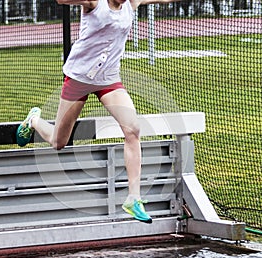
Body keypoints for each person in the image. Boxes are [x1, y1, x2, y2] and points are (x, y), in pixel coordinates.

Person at [16, 0, 181, 224]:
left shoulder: (131, 3)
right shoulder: (94, 3)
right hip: (79, 79)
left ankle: (133, 198)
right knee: (58, 142)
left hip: (109, 80)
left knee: (133, 129)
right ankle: (34, 120)